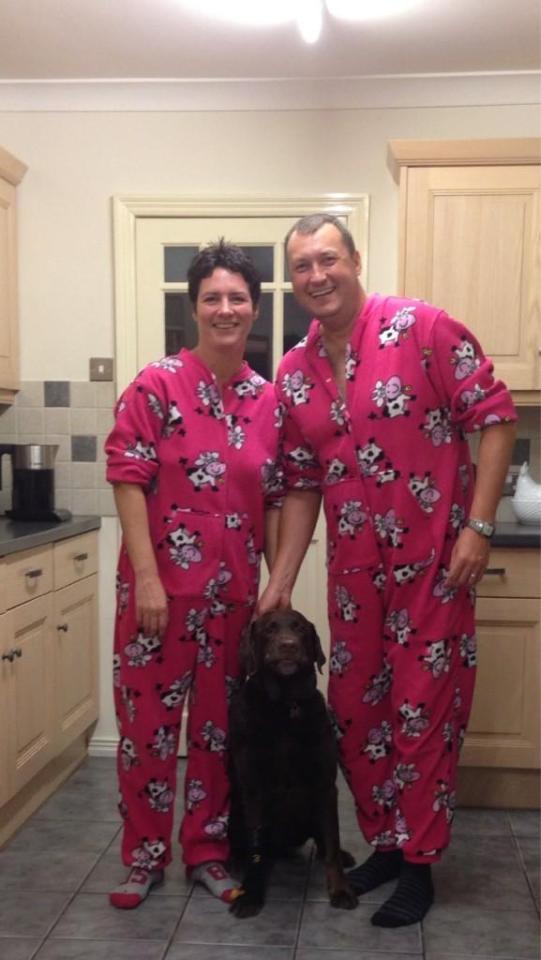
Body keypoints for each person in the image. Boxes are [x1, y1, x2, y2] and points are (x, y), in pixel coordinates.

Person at [258, 214, 517, 927]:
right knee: (354, 710)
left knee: (420, 713)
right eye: (302, 266)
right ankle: (388, 842)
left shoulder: (423, 328)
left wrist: (478, 526)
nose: (316, 276)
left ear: (354, 259)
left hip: (434, 564)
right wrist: (280, 577)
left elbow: (494, 419)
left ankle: (421, 864)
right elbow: (303, 482)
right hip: (354, 578)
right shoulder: (294, 372)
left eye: (327, 259)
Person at [105, 240, 282, 909]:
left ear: (255, 308)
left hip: (231, 602)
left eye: (238, 297)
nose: (225, 308)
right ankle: (142, 858)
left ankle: (206, 850)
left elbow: (271, 500)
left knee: (216, 734)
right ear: (194, 308)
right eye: (212, 297)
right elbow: (127, 477)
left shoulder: (268, 401)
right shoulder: (154, 385)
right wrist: (147, 578)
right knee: (146, 730)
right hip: (156, 599)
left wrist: (274, 584)